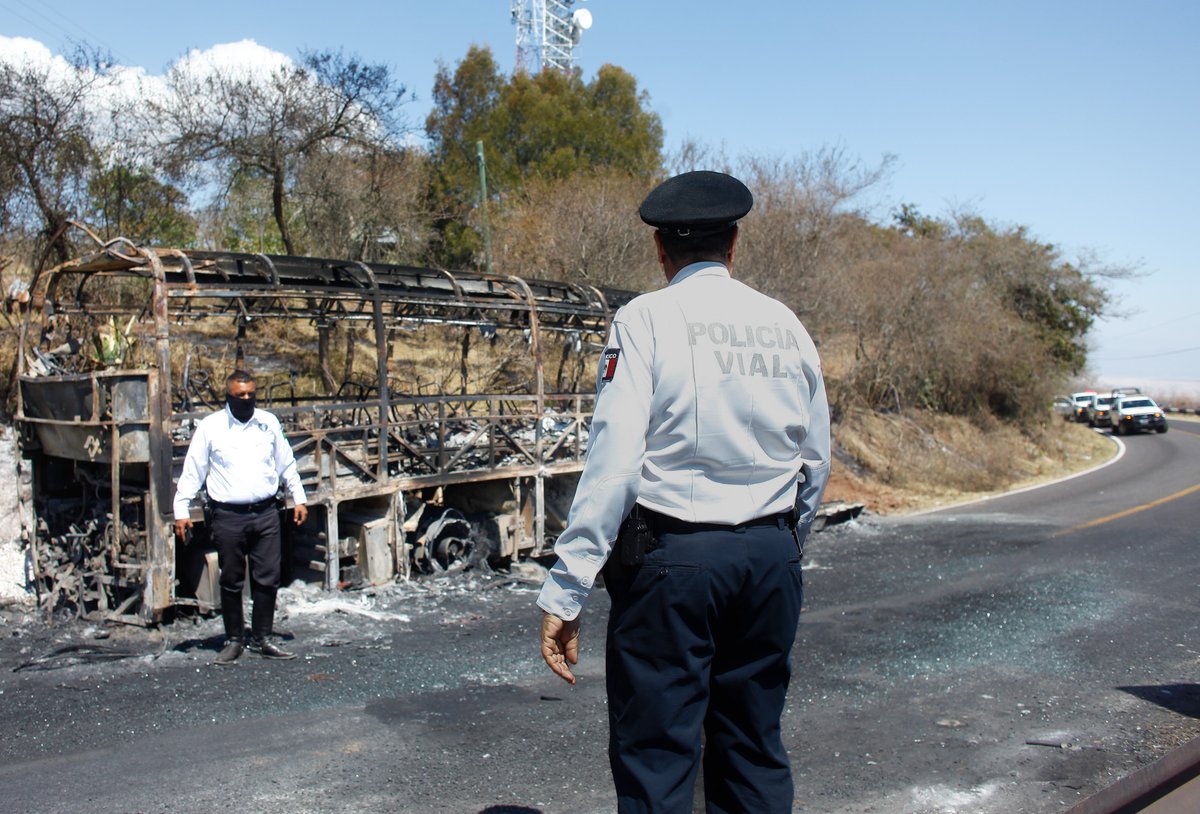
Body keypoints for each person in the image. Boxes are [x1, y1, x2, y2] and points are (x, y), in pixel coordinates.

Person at [536, 170, 831, 813]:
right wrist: (784, 546)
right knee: (753, 747)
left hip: (674, 564)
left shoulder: (645, 320)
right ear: (733, 248)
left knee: (658, 758)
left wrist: (569, 584)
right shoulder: (786, 325)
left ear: (660, 251)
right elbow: (815, 462)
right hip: (768, 559)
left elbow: (615, 465)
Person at [174, 370, 309, 665]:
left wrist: (298, 497)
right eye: (240, 395)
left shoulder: (267, 423)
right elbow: (193, 469)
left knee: (268, 577)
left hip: (266, 512)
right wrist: (181, 510)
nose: (246, 399)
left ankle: (262, 637)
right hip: (228, 515)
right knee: (232, 578)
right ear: (228, 396)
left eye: (251, 394)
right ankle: (234, 639)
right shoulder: (211, 427)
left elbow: (285, 462)